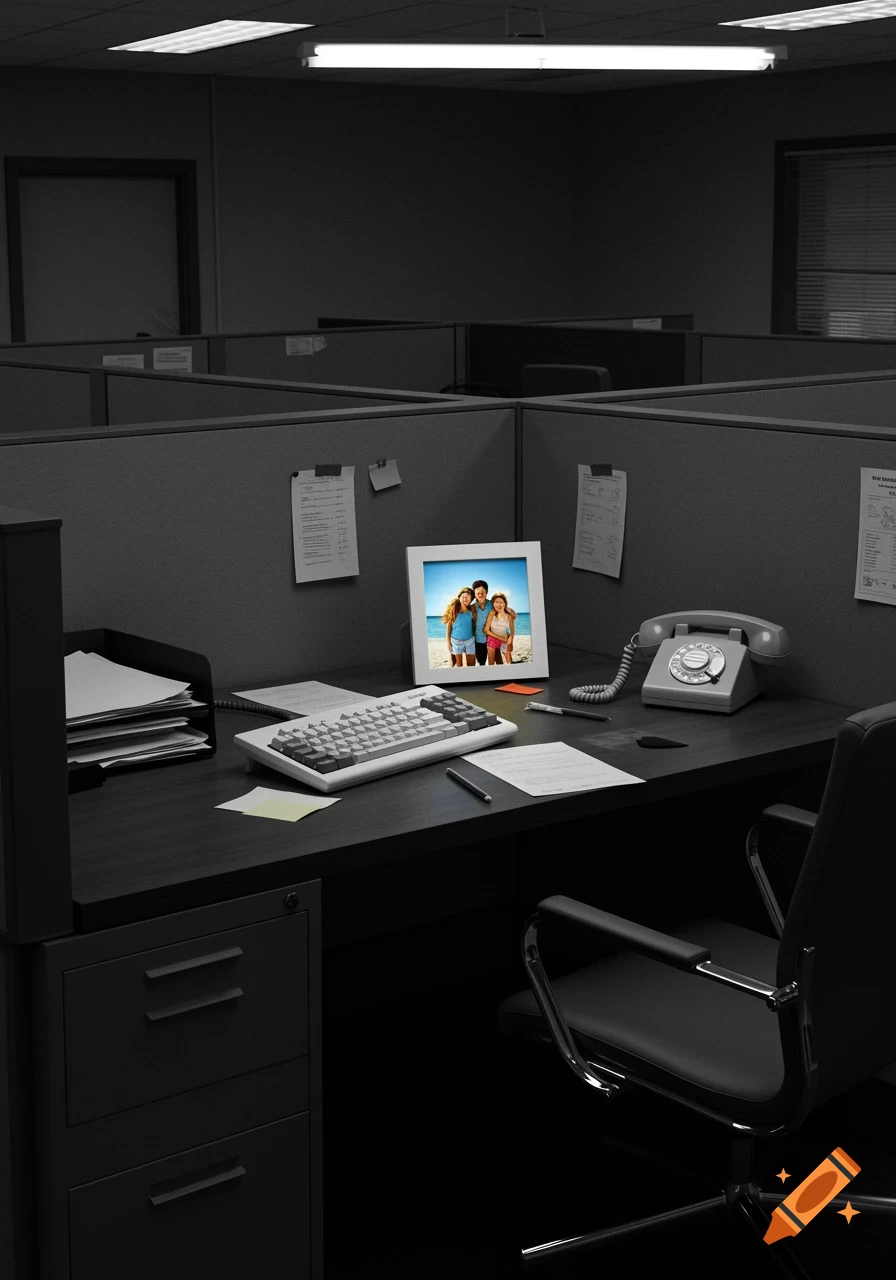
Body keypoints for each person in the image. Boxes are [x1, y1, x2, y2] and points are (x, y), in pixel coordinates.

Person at [471, 580, 516, 665]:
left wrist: (507, 609)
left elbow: (511, 613)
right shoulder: (471, 607)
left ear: (486, 592)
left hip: (494, 638)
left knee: (499, 661)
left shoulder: (492, 604)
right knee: (482, 662)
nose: (480, 595)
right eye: (478, 593)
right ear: (474, 593)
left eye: (483, 592)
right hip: (478, 640)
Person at [442, 587, 477, 668]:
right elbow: (448, 628)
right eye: (463, 596)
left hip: (470, 641)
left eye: (468, 596)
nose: (465, 598)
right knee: (459, 667)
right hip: (456, 642)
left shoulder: (472, 611)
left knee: (472, 666)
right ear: (459, 598)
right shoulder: (454, 611)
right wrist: (448, 643)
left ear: (471, 598)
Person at [484, 592, 515, 665]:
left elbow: (512, 632)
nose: (499, 604)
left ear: (505, 604)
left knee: (509, 663)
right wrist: (500, 638)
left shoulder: (509, 615)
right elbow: (486, 630)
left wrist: (510, 643)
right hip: (492, 639)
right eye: (496, 602)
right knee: (490, 664)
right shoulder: (492, 613)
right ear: (493, 604)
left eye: (501, 602)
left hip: (505, 640)